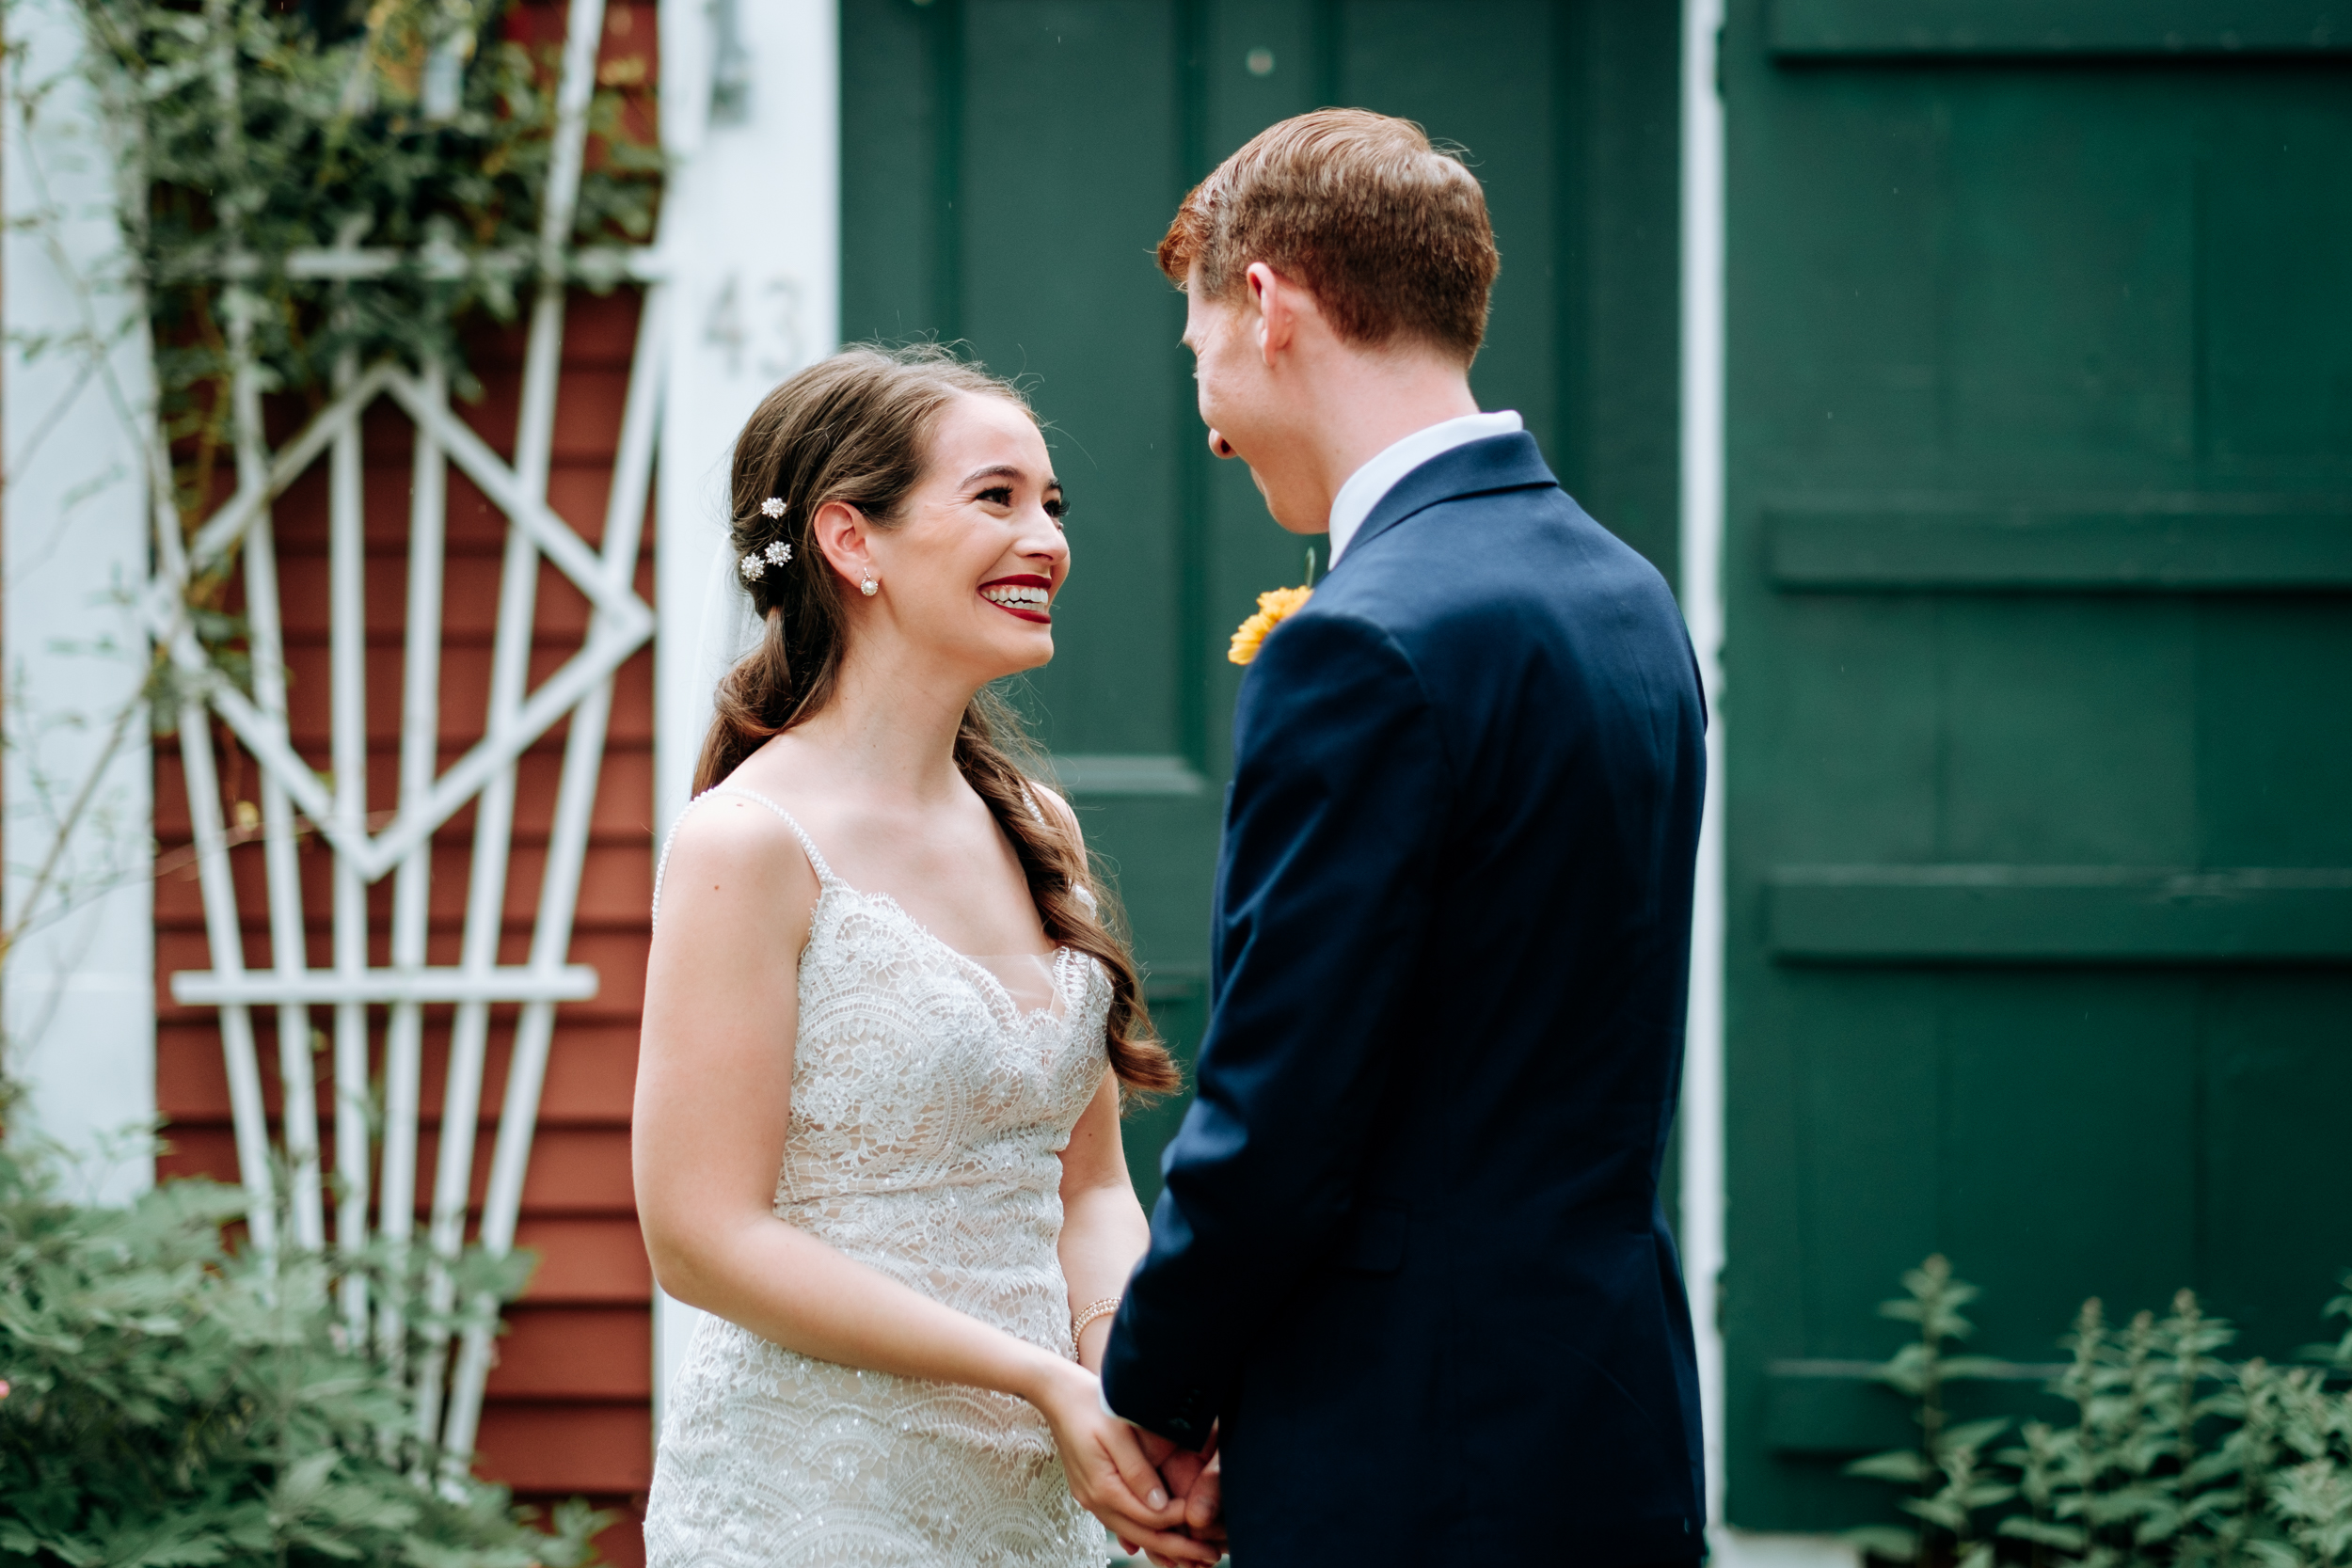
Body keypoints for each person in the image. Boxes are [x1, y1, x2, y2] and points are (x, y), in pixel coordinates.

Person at [1100, 109, 1710, 1566]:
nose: (1206, 418)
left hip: (1414, 1441)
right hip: (1606, 1408)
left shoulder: (1365, 640)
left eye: (1199, 361)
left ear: (1267, 304)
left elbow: (1283, 1111)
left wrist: (1157, 1390)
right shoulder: (1628, 596)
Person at [634, 345, 1223, 1568]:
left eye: (1052, 505)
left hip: (1043, 1505)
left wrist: (1120, 1366)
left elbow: (1091, 1187)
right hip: (820, 1498)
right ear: (854, 542)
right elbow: (702, 1235)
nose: (1046, 540)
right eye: (997, 498)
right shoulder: (751, 843)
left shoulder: (1035, 830)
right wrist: (1032, 1376)